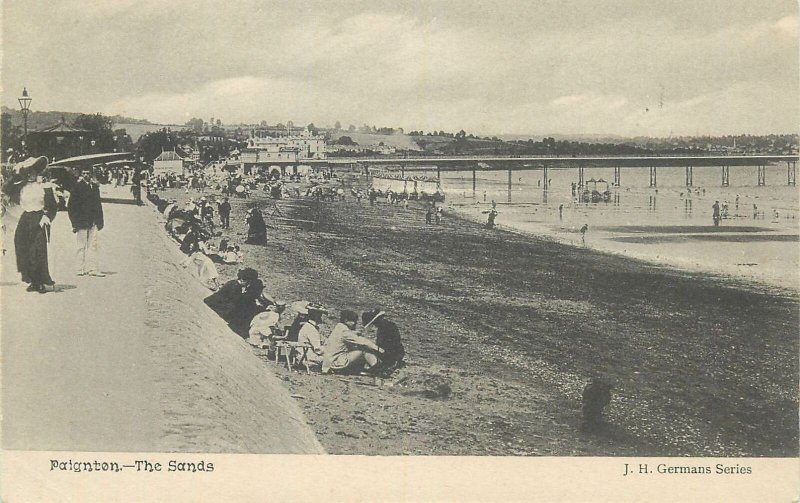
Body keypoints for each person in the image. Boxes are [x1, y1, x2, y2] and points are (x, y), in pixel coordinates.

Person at [10, 157, 59, 293]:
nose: (31, 174)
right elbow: (5, 188)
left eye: (33, 172)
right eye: (28, 172)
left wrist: (47, 216)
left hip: (39, 217)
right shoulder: (21, 186)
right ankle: (31, 280)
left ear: (37, 173)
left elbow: (53, 207)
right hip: (25, 218)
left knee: (37, 251)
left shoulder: (44, 187)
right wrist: (16, 173)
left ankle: (40, 282)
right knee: (22, 246)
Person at [203, 267, 264, 335]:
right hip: (219, 304)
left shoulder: (234, 283)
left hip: (216, 300)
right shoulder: (235, 286)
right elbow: (236, 300)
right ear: (246, 281)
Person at [68, 167, 105, 277]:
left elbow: (98, 205)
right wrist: (74, 223)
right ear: (81, 174)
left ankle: (93, 269)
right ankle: (80, 268)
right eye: (84, 173)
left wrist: (100, 221)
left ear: (91, 174)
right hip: (82, 221)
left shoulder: (95, 187)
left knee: (93, 245)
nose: (86, 175)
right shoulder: (77, 187)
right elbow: (71, 207)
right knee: (81, 246)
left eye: (88, 173)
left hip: (93, 221)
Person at [322, 310, 383, 375]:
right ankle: (377, 368)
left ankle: (374, 367)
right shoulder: (345, 332)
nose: (355, 323)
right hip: (335, 362)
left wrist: (355, 333)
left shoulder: (339, 328)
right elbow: (363, 341)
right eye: (353, 321)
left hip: (329, 362)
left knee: (357, 349)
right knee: (363, 350)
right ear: (346, 320)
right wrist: (380, 349)